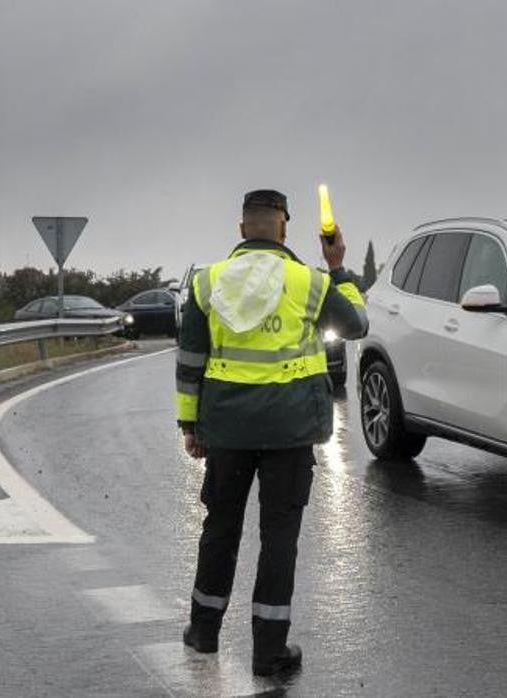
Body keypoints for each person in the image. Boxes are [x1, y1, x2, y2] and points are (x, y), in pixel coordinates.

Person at [175, 189, 367, 676]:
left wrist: (190, 425)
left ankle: (203, 632)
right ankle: (269, 652)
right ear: (284, 228)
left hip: (226, 431)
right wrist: (339, 267)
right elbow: (357, 325)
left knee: (219, 528)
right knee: (279, 539)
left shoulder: (206, 282)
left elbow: (190, 363)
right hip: (289, 432)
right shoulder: (310, 282)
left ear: (242, 229)